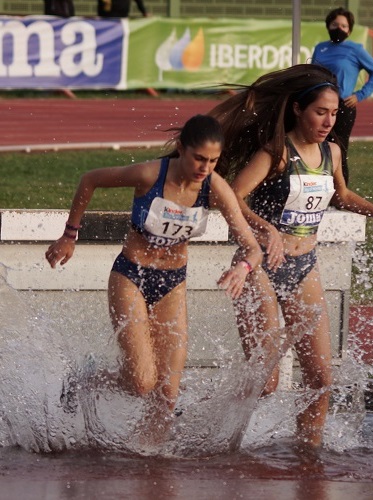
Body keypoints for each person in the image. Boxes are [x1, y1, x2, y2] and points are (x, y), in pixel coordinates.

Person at [208, 64, 373, 449]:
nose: (328, 121)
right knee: (266, 379)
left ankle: (308, 453)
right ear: (297, 110)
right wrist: (266, 229)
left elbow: (342, 196)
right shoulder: (275, 153)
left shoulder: (332, 153)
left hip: (303, 265)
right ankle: (210, 433)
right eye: (319, 112)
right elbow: (229, 195)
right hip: (260, 263)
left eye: (333, 113)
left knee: (320, 377)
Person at [45, 114, 262, 443]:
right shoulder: (150, 174)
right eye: (199, 159)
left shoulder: (214, 187)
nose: (205, 168)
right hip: (131, 275)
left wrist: (242, 268)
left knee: (166, 395)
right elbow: (90, 179)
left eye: (213, 161)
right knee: (142, 383)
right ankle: (86, 378)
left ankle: (148, 457)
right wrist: (69, 235)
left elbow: (252, 247)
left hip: (173, 283)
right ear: (181, 149)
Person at [310, 7, 373, 187]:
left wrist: (360, 95)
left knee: (337, 150)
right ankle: (318, 191)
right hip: (318, 106)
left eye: (344, 26)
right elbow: (312, 73)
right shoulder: (321, 48)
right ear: (328, 25)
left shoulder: (355, 49)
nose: (339, 28)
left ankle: (340, 194)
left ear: (349, 30)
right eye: (335, 24)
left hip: (342, 107)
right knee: (317, 148)